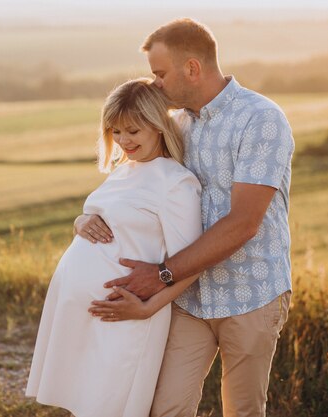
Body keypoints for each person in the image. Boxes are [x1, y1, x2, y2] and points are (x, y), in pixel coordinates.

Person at [83, 18, 294, 417]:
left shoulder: (261, 119)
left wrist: (160, 273)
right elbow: (134, 187)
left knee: (243, 411)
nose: (155, 84)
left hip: (251, 293)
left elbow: (244, 223)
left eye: (159, 73)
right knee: (166, 407)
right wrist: (86, 217)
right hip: (190, 298)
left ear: (192, 68)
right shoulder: (176, 125)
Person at [25, 77, 203, 417]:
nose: (123, 141)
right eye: (115, 131)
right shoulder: (125, 170)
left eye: (133, 131)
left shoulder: (176, 182)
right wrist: (80, 222)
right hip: (90, 317)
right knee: (86, 405)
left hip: (129, 315)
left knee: (110, 407)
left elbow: (190, 264)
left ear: (157, 127)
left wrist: (147, 309)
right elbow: (109, 220)